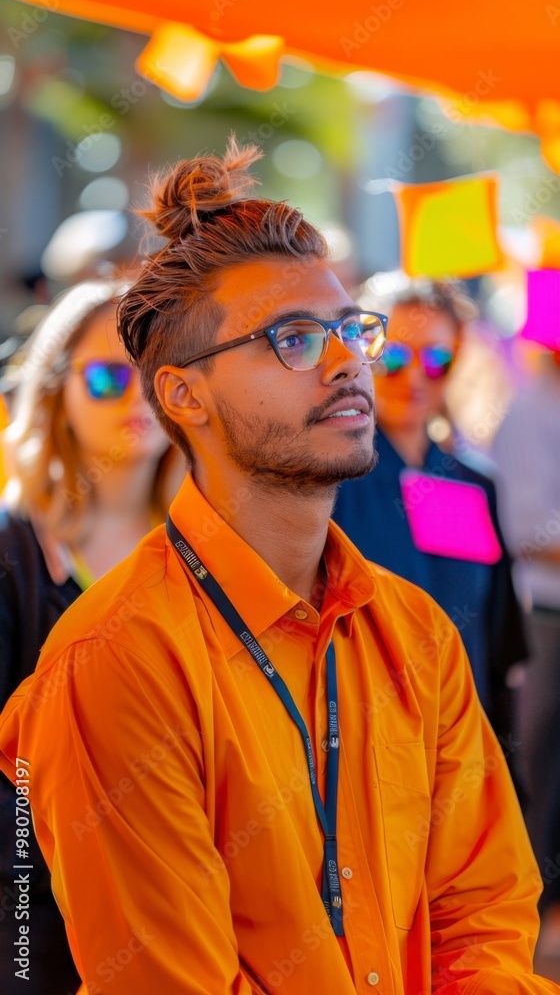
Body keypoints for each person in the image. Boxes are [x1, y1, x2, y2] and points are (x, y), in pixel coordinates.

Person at [0, 140, 557, 995]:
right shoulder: (115, 662)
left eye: (350, 330)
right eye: (293, 338)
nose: (348, 361)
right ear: (184, 395)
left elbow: (485, 917)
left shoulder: (417, 633)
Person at [0, 279, 178, 995]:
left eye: (156, 378)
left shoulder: (211, 547)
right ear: (55, 393)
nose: (136, 399)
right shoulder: (12, 549)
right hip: (34, 906)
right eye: (107, 377)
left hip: (179, 896)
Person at [332, 280, 528, 753]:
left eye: (437, 359)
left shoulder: (473, 485)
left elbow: (497, 641)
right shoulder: (330, 481)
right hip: (367, 746)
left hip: (461, 747)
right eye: (395, 357)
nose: (416, 376)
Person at [490, 343, 560, 951]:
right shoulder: (529, 409)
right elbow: (528, 528)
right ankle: (529, 913)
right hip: (544, 614)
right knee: (536, 763)